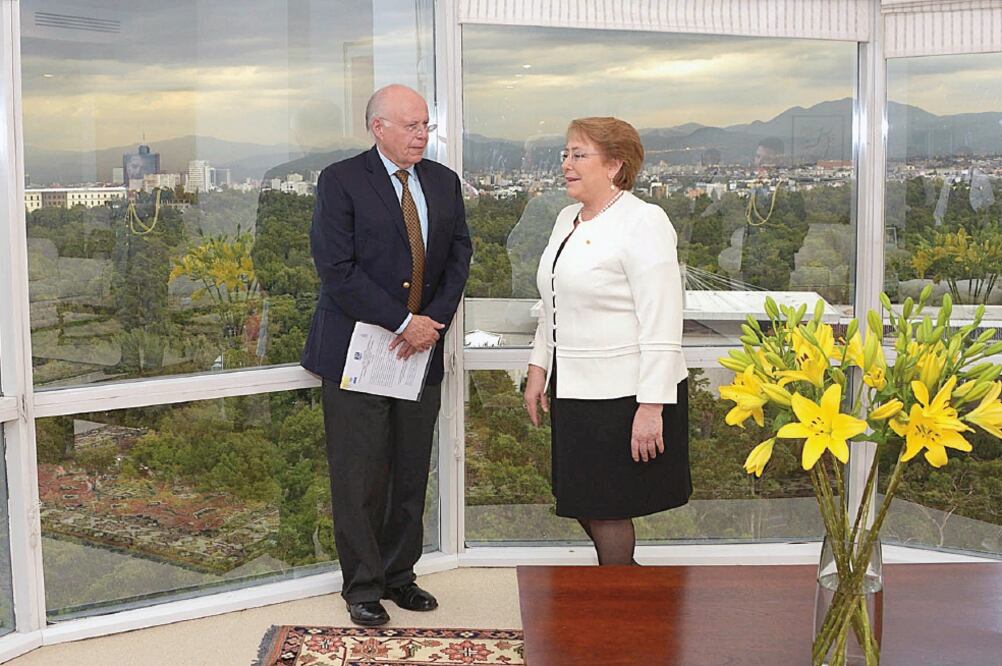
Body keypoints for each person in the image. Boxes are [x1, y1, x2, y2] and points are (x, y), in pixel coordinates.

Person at [301, 84, 472, 626]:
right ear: (378, 128)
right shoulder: (342, 180)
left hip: (421, 351)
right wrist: (403, 321)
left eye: (426, 125)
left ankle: (401, 577)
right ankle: (363, 588)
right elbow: (336, 269)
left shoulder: (443, 182)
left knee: (408, 472)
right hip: (358, 353)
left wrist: (430, 324)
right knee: (359, 475)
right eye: (411, 126)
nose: (423, 134)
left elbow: (459, 255)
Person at [523, 117, 691, 565]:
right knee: (583, 499)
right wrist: (538, 369)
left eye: (579, 155)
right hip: (575, 390)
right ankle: (622, 589)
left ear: (615, 165)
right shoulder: (566, 219)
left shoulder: (644, 221)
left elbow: (662, 319)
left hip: (625, 395)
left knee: (608, 507)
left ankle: (621, 599)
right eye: (565, 153)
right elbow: (553, 301)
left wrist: (653, 407)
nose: (566, 164)